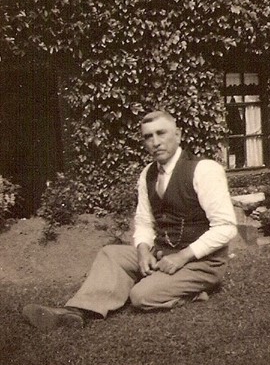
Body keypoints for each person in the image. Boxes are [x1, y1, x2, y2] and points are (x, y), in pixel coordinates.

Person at [23, 110, 237, 331]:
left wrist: (182, 257)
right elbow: (144, 221)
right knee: (111, 253)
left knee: (141, 296)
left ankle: (198, 292)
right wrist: (143, 250)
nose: (155, 142)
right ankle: (75, 312)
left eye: (161, 133)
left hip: (202, 263)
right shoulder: (148, 174)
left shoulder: (204, 170)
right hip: (163, 254)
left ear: (178, 135)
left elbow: (226, 227)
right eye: (148, 136)